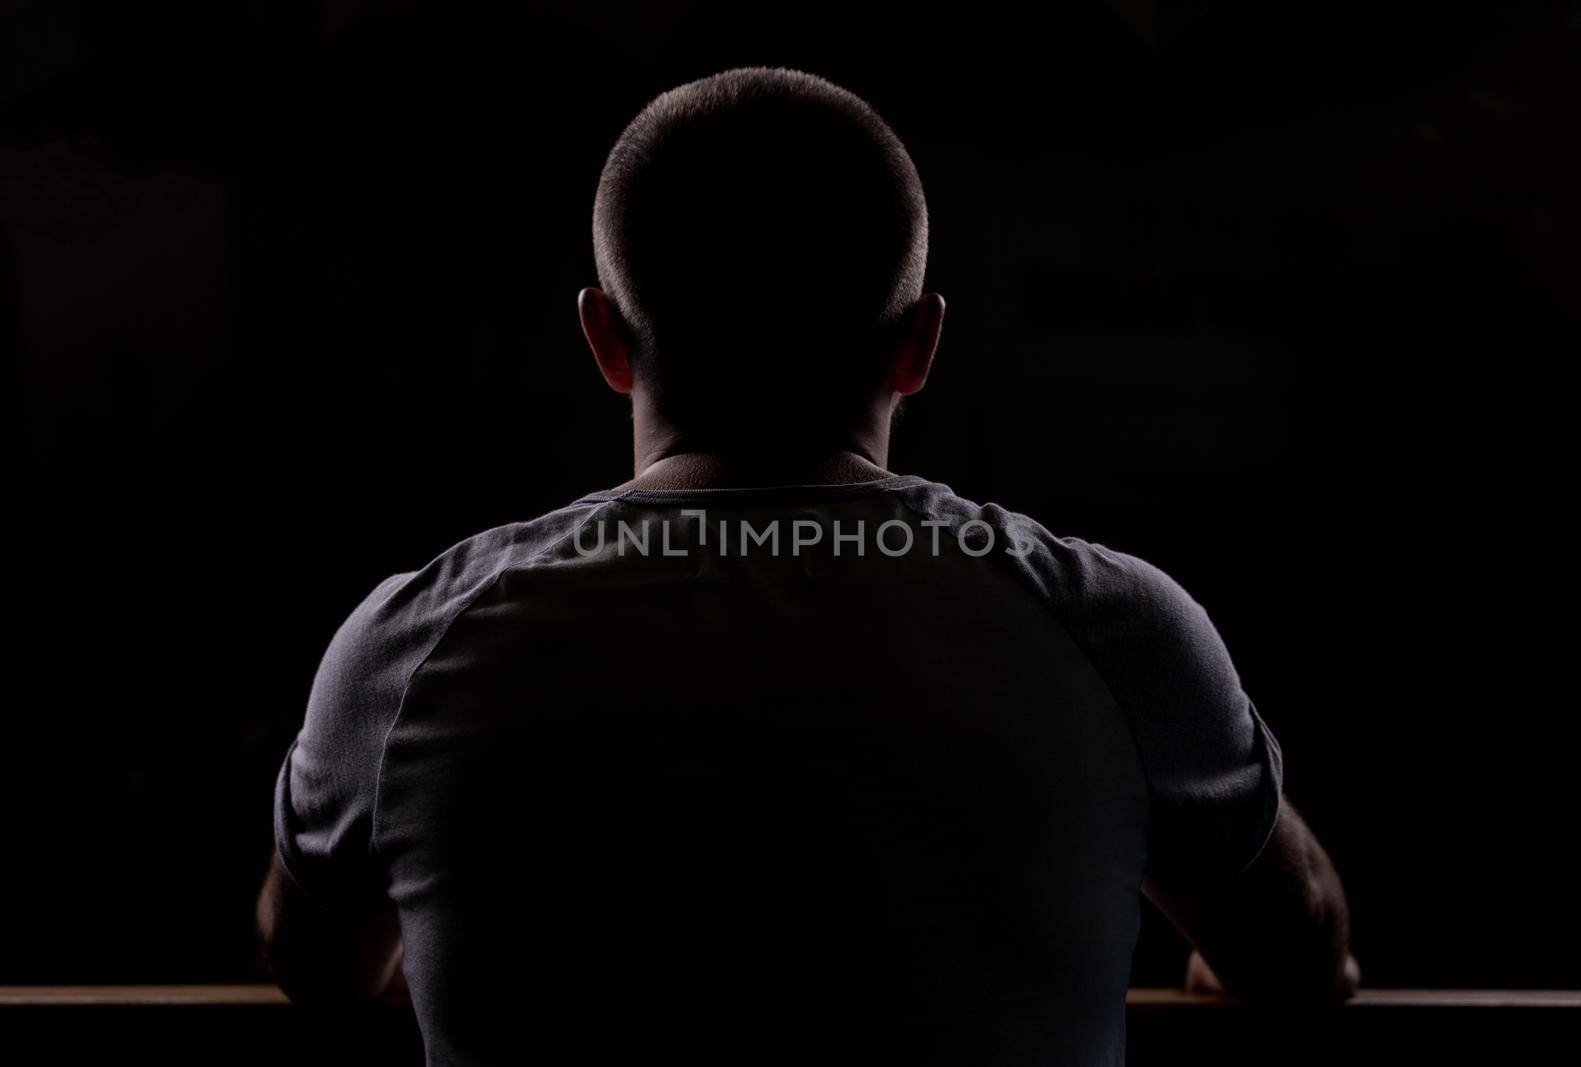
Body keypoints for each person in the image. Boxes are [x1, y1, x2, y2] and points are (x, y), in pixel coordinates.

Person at [257, 65, 1357, 1066]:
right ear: (919, 343)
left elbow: (319, 966)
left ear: (603, 336)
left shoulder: (401, 652)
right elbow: (1302, 958)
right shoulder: (1118, 630)